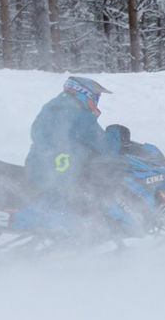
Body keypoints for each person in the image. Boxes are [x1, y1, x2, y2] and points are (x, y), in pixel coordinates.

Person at [24, 76, 123, 220]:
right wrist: (117, 133)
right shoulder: (80, 115)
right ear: (84, 93)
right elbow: (106, 147)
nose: (96, 101)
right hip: (65, 177)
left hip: (37, 168)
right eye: (96, 96)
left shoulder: (50, 108)